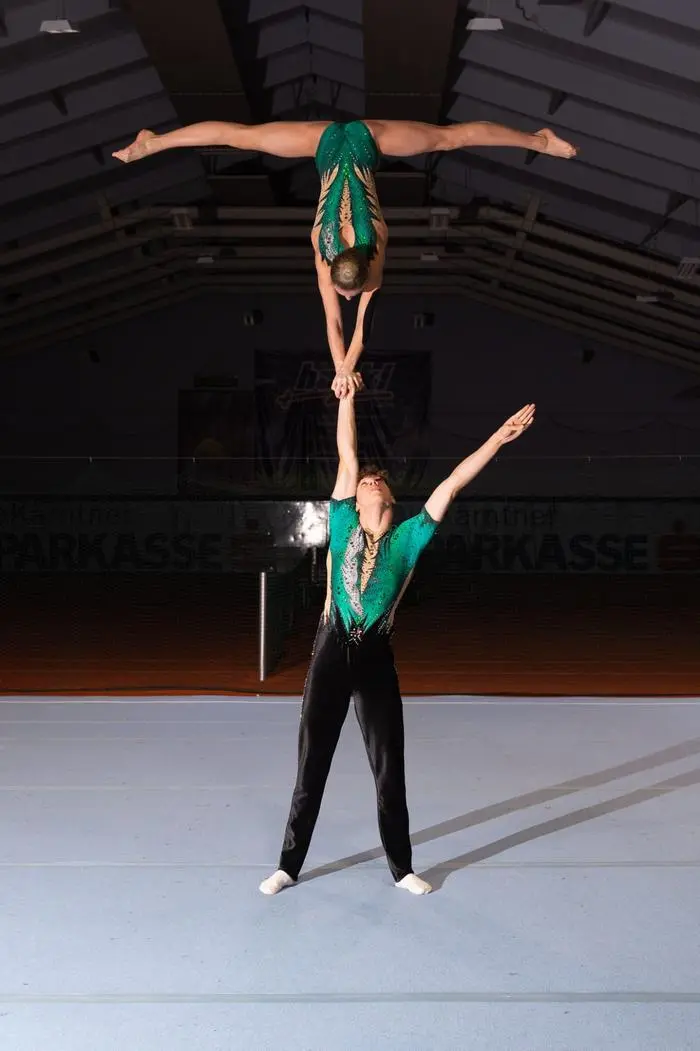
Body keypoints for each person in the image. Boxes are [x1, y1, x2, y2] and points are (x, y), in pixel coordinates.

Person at [258, 390, 536, 896]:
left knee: (389, 770)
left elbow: (452, 483)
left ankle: (402, 869)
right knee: (311, 765)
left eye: (375, 479)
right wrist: (345, 396)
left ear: (386, 496)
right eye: (364, 479)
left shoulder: (409, 538)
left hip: (375, 660)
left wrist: (498, 438)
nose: (367, 479)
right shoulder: (342, 521)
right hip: (330, 652)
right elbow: (347, 452)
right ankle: (288, 865)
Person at [113, 119, 575, 395]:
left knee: (448, 139)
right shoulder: (339, 255)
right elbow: (347, 327)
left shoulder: (355, 256)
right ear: (341, 273)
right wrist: (342, 369)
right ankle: (537, 140)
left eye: (345, 293)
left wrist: (343, 371)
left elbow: (344, 327)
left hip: (352, 145)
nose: (348, 297)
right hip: (352, 142)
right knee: (244, 137)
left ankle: (154, 141)